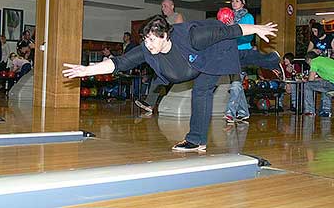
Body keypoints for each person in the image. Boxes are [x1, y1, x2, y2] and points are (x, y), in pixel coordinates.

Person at [63, 15, 277, 152]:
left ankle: (195, 140)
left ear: (165, 36)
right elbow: (119, 63)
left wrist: (257, 28)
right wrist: (86, 70)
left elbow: (228, 32)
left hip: (213, 50)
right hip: (195, 62)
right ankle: (270, 59)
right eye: (146, 40)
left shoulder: (193, 37)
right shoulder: (148, 49)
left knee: (208, 85)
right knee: (234, 62)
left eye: (152, 40)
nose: (148, 44)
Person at [135, 0, 184, 113]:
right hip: (164, 55)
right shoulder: (163, 21)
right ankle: (150, 103)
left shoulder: (177, 16)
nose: (163, 8)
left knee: (165, 78)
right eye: (162, 6)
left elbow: (178, 34)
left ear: (172, 6)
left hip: (174, 54)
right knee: (159, 77)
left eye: (165, 6)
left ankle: (153, 103)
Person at [303, 51, 334, 117]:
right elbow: (326, 78)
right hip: (331, 83)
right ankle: (326, 111)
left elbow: (310, 80)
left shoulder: (314, 61)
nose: (309, 65)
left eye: (308, 64)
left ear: (309, 59)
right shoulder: (326, 59)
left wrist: (305, 79)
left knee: (307, 85)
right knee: (324, 86)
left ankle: (310, 111)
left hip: (332, 83)